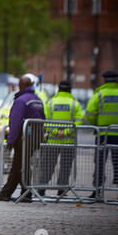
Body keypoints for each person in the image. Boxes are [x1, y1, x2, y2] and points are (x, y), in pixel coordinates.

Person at [0, 76, 45, 202]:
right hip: (34, 138)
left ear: (21, 85)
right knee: (21, 165)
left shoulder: (21, 100)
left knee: (18, 165)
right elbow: (43, 119)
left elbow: (15, 123)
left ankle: (9, 193)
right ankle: (21, 193)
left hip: (23, 138)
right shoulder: (37, 100)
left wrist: (10, 140)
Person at [38, 80, 83, 197]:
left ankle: (41, 189)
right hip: (68, 141)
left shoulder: (50, 102)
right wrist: (65, 132)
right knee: (65, 166)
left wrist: (55, 131)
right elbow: (78, 121)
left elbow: (45, 121)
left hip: (52, 140)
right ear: (70, 90)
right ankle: (61, 190)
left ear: (58, 89)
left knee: (48, 165)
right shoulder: (75, 103)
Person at [85, 70, 118, 198]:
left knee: (99, 163)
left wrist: (96, 125)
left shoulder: (99, 94)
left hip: (102, 133)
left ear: (104, 80)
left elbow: (89, 113)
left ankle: (97, 191)